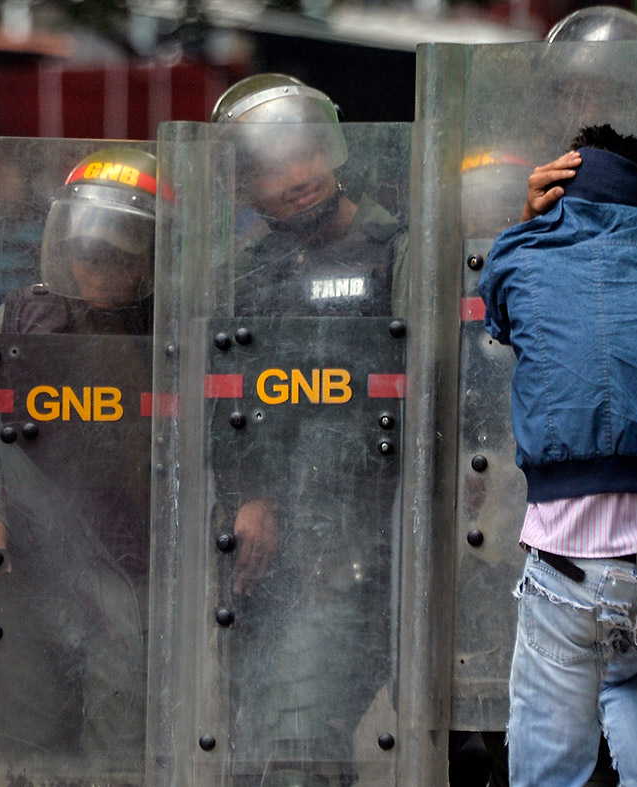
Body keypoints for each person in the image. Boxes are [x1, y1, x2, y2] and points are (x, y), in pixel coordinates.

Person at [477, 124, 637, 787]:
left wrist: (529, 221)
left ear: (563, 177)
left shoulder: (522, 249)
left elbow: (498, 319)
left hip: (572, 570)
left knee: (550, 770)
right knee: (618, 674)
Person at [209, 73, 407, 786]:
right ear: (244, 189)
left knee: (298, 739)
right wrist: (252, 490)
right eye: (272, 167)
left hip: (361, 545)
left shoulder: (397, 252)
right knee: (258, 743)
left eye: (305, 153)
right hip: (265, 558)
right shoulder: (244, 274)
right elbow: (225, 398)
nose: (297, 178)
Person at [0, 147, 156, 781]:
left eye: (121, 256)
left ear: (152, 259)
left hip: (131, 572)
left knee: (122, 746)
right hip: (30, 563)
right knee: (34, 749)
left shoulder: (176, 329)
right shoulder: (16, 322)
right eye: (89, 252)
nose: (101, 270)